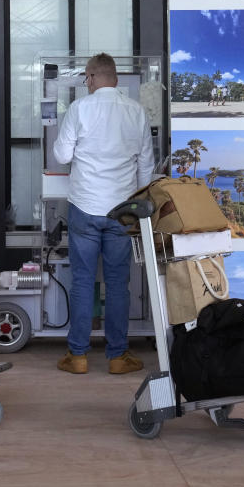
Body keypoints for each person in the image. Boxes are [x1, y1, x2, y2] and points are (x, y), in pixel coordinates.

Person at [52, 53, 156, 374]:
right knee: (117, 283)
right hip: (121, 211)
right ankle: (117, 356)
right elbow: (146, 167)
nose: (86, 83)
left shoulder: (80, 109)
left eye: (87, 78)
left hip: (84, 207)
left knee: (82, 281)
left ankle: (78, 356)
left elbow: (60, 155)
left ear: (94, 77)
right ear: (116, 78)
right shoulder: (136, 112)